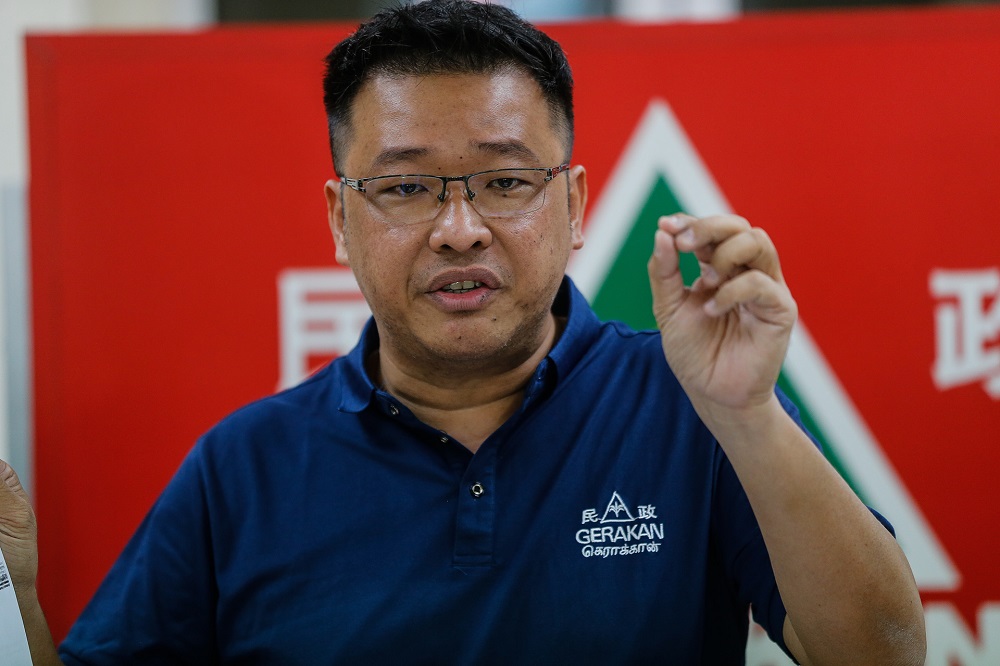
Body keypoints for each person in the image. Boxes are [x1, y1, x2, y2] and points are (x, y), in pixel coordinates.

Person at [0, 0, 925, 663]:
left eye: (504, 180)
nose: (458, 228)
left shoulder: (697, 406)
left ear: (574, 203)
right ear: (338, 219)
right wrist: (13, 601)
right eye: (404, 187)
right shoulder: (242, 467)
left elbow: (883, 656)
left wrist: (753, 415)